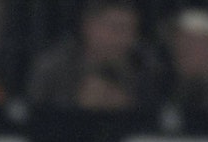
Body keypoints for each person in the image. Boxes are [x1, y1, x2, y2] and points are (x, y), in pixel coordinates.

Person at [25, 0, 164, 110]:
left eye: (131, 30)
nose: (125, 39)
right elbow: (35, 114)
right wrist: (77, 105)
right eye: (116, 29)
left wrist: (127, 107)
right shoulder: (55, 67)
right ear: (88, 27)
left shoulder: (146, 67)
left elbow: (160, 117)